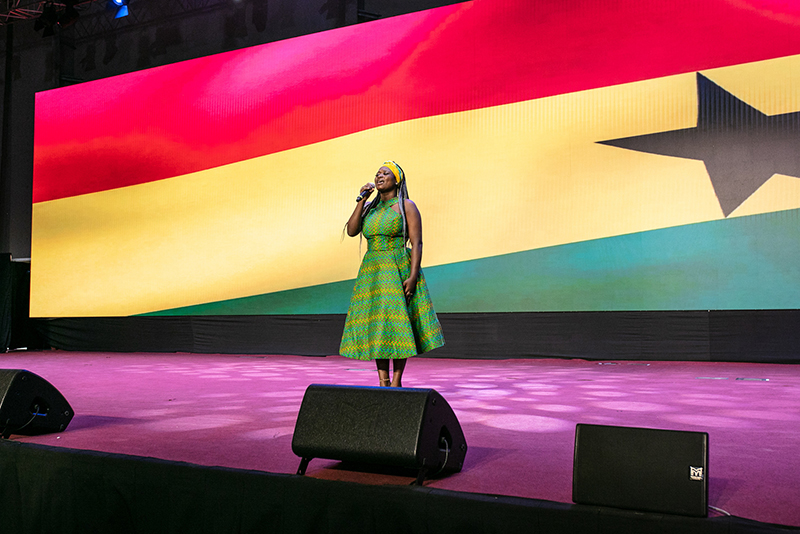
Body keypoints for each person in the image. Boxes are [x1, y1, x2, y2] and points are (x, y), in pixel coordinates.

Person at [339, 161, 445, 387]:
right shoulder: (370, 208)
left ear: (397, 180)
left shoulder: (406, 206)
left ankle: (396, 380)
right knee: (378, 323)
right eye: (377, 173)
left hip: (397, 268)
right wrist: (361, 200)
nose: (379, 176)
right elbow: (351, 231)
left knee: (397, 324)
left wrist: (413, 275)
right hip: (372, 272)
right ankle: (382, 379)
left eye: (385, 173)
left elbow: (417, 243)